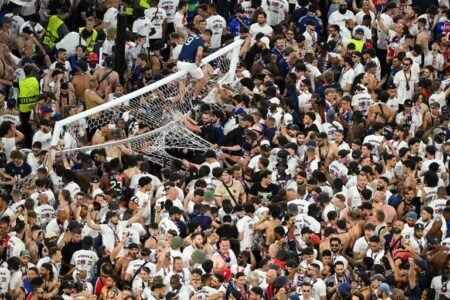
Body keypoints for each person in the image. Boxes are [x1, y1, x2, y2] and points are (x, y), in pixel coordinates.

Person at [176, 27, 211, 101]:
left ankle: (182, 101)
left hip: (179, 62)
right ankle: (194, 98)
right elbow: (199, 54)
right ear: (208, 36)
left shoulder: (193, 36)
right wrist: (198, 62)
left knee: (182, 82)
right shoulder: (200, 42)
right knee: (202, 79)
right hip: (189, 64)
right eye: (209, 38)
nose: (207, 40)